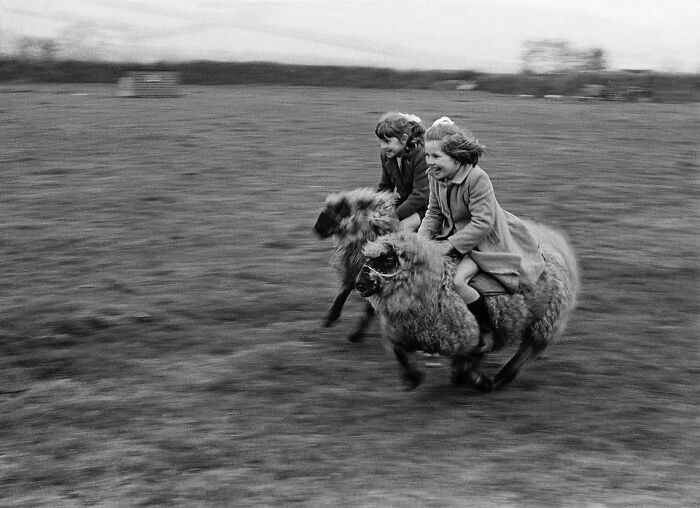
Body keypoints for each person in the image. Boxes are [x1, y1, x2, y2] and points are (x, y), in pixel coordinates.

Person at [418, 117, 546, 351]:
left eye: (436, 157)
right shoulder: (435, 176)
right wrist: (421, 240)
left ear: (456, 156)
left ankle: (485, 330)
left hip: (483, 243)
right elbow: (433, 212)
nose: (430, 162)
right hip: (454, 235)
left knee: (457, 282)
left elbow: (482, 223)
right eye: (427, 156)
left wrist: (448, 246)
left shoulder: (477, 179)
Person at [375, 112, 430, 231]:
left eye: (387, 142)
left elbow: (420, 195)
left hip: (427, 207)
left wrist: (395, 215)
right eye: (381, 142)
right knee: (377, 228)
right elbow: (385, 187)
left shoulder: (420, 154)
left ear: (404, 139)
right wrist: (375, 208)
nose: (383, 146)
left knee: (399, 232)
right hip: (407, 203)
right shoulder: (387, 155)